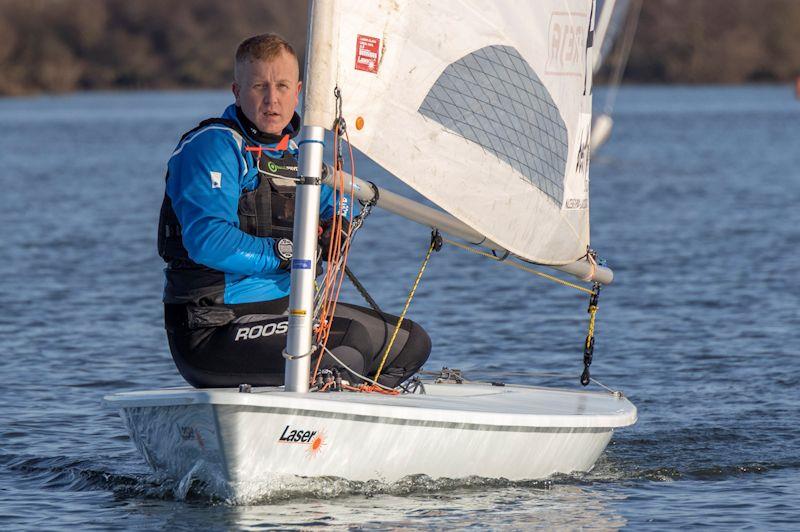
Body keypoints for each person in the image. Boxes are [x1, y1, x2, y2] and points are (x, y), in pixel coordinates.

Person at [157, 34, 431, 389]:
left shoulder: (303, 154)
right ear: (237, 92)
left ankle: (354, 422)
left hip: (289, 311)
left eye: (282, 86)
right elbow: (208, 240)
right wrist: (288, 252)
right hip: (213, 327)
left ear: (298, 91)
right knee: (350, 345)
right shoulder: (214, 147)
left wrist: (339, 224)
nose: (272, 100)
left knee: (409, 343)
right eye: (259, 86)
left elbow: (338, 201)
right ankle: (306, 427)